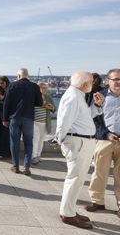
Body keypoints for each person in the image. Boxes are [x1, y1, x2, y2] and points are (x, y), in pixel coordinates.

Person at [53, 71, 104, 229]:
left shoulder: (77, 95)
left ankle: (69, 210)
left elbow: (86, 117)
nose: (92, 84)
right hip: (78, 142)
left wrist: (97, 106)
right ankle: (67, 214)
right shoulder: (74, 97)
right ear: (84, 84)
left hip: (82, 141)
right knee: (75, 178)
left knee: (78, 179)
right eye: (91, 82)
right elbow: (64, 121)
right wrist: (58, 139)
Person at [85, 69, 120, 219]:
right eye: (116, 79)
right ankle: (97, 201)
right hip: (105, 140)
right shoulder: (101, 96)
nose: (119, 82)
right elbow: (94, 119)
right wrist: (106, 133)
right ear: (108, 80)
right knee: (99, 172)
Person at [3, 68, 43, 175]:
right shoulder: (34, 86)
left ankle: (15, 166)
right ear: (27, 75)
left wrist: (4, 119)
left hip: (14, 118)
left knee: (14, 142)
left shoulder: (12, 86)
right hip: (28, 118)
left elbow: (6, 104)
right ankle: (26, 167)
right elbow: (39, 102)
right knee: (28, 143)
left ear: (18, 76)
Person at [32, 81, 56, 164]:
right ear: (38, 88)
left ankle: (38, 155)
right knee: (35, 139)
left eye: (46, 88)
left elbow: (54, 110)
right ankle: (33, 156)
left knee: (41, 140)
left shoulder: (48, 97)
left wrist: (50, 107)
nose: (45, 89)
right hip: (34, 121)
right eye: (43, 88)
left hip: (44, 122)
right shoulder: (34, 97)